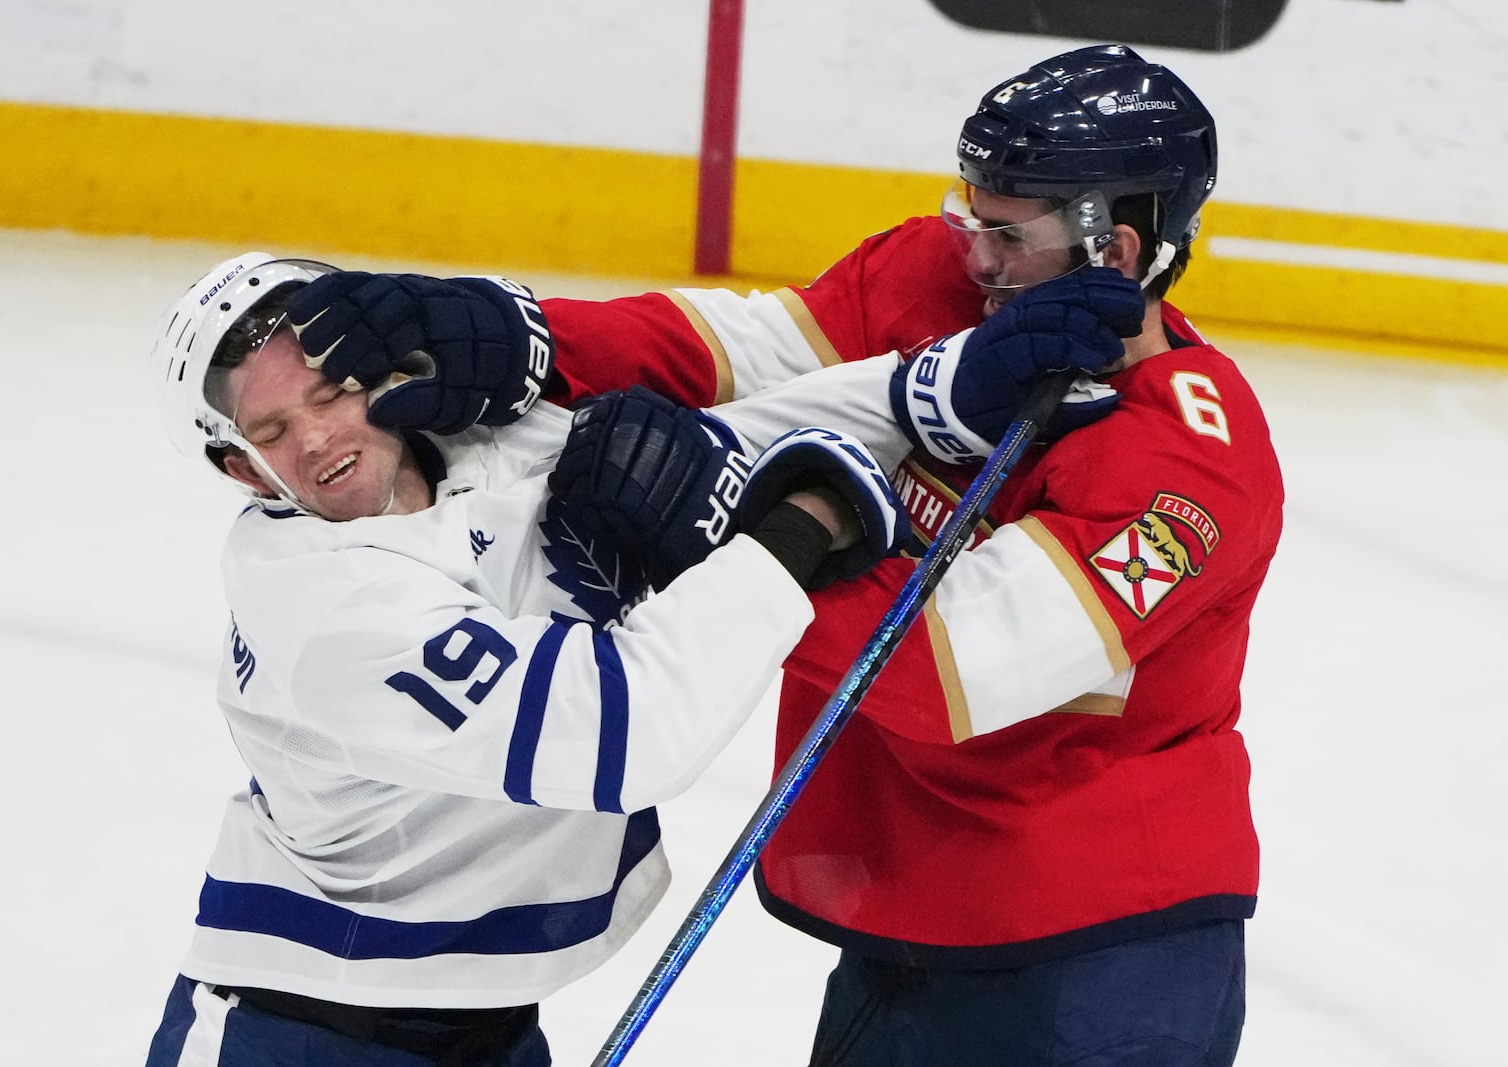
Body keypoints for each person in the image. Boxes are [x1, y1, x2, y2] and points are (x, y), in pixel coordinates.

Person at [283, 42, 1285, 1065]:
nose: (975, 258)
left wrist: (724, 524)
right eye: (970, 217)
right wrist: (518, 337)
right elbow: (730, 357)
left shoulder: (1190, 461)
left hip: (1100, 958)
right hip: (918, 910)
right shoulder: (936, 282)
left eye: (1006, 234)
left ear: (1113, 248)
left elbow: (950, 668)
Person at [139, 253, 919, 1066]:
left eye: (330, 391)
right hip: (304, 1036)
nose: (316, 437)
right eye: (271, 432)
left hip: (482, 1022)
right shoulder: (321, 609)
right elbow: (631, 732)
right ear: (243, 468)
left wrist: (936, 392)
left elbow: (728, 420)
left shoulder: (478, 443)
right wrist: (799, 524)